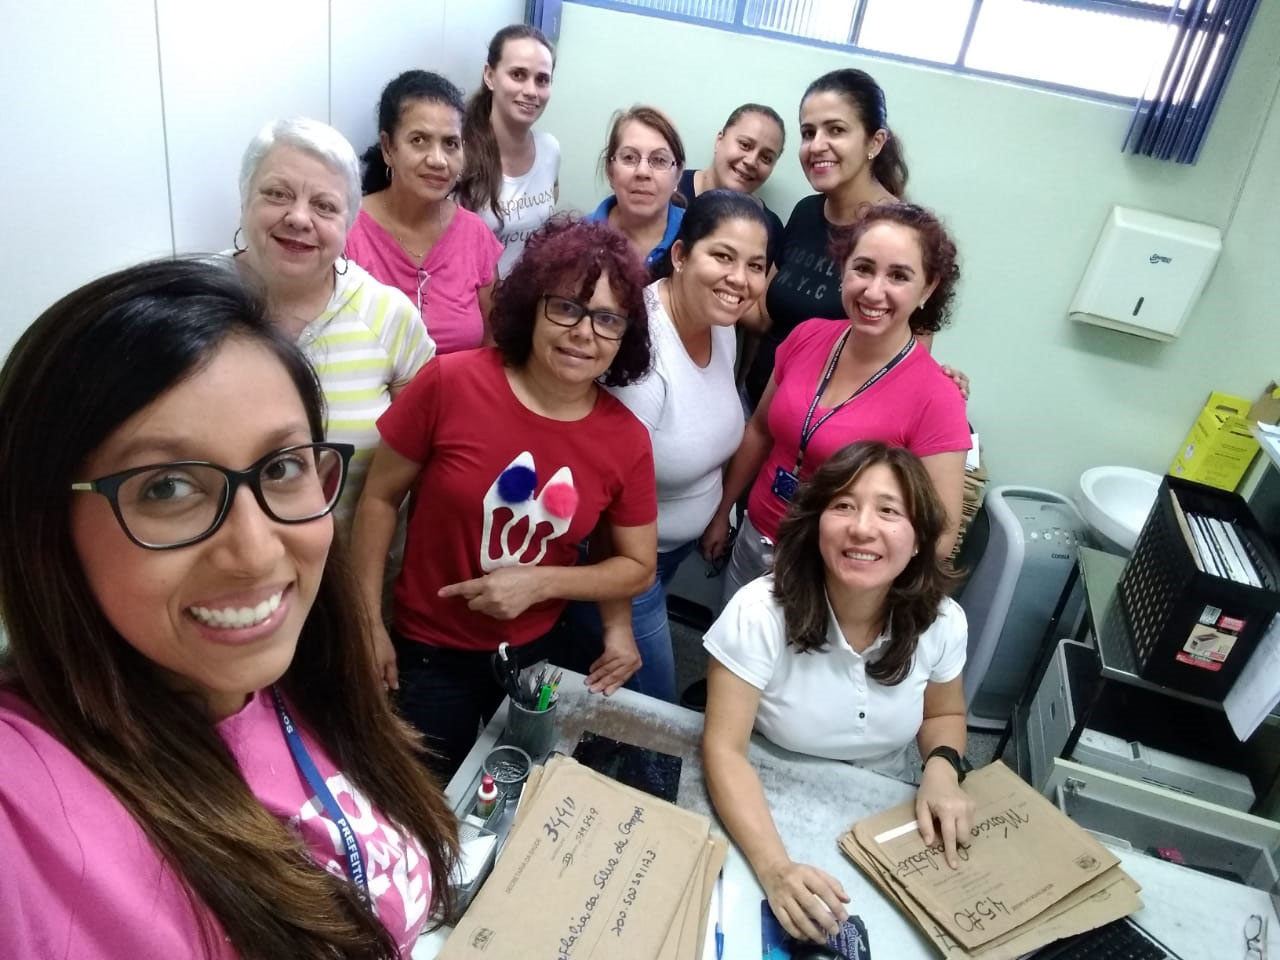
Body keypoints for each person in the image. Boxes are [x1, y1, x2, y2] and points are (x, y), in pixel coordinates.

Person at [0, 259, 458, 959]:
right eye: (167, 487)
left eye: (281, 468)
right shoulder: (29, 800)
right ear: (43, 526)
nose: (254, 551)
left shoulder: (309, 676)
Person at [351, 216, 658, 778]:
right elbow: (378, 499)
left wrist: (542, 583)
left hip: (539, 652)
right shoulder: (448, 383)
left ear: (624, 335)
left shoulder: (627, 439)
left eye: (607, 318)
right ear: (531, 306)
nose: (583, 332)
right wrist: (367, 623)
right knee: (423, 791)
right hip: (428, 651)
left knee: (515, 788)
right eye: (565, 307)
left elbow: (635, 566)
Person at [702, 441, 974, 944]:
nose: (863, 528)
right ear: (816, 525)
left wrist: (941, 769)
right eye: (844, 505)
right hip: (765, 794)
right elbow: (723, 749)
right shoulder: (758, 613)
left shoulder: (942, 621)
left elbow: (943, 715)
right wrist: (776, 869)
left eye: (889, 511)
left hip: (883, 804)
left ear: (919, 539)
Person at [703, 202, 970, 603]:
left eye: (899, 276)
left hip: (832, 577)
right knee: (733, 636)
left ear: (928, 288)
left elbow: (941, 536)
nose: (874, 291)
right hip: (755, 539)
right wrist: (722, 511)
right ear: (843, 269)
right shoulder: (807, 336)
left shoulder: (937, 397)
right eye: (863, 268)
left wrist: (865, 593)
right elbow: (759, 431)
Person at [571, 190, 770, 702]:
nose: (739, 279)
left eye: (755, 265)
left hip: (671, 547)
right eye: (722, 256)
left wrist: (716, 514)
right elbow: (604, 502)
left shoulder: (719, 322)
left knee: (605, 684)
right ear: (680, 255)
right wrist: (618, 621)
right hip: (622, 564)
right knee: (654, 703)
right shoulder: (641, 352)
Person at [232, 117, 435, 530]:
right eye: (277, 194)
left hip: (352, 563)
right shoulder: (187, 303)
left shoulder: (389, 316)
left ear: (349, 222)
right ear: (245, 198)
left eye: (324, 206)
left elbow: (423, 461)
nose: (299, 218)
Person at [743, 68, 911, 408]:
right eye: (808, 133)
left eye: (836, 130)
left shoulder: (905, 233)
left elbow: (906, 366)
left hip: (824, 428)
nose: (817, 146)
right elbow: (761, 314)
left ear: (875, 142)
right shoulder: (806, 211)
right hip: (757, 404)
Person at [347, 70, 502, 355]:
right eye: (419, 140)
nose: (438, 160)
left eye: (450, 143)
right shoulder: (347, 233)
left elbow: (492, 343)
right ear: (388, 148)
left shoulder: (475, 234)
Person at [457, 24, 560, 279]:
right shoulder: (459, 155)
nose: (531, 91)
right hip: (475, 297)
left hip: (528, 296)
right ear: (490, 76)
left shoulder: (550, 150)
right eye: (518, 75)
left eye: (542, 80)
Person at [677, 103, 786, 267]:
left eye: (766, 158)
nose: (751, 161)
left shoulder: (770, 227)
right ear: (719, 140)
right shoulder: (670, 191)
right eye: (745, 145)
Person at [586, 105, 686, 275]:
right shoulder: (577, 239)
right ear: (610, 171)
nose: (642, 172)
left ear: (678, 174)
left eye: (659, 160)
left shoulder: (697, 236)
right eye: (629, 157)